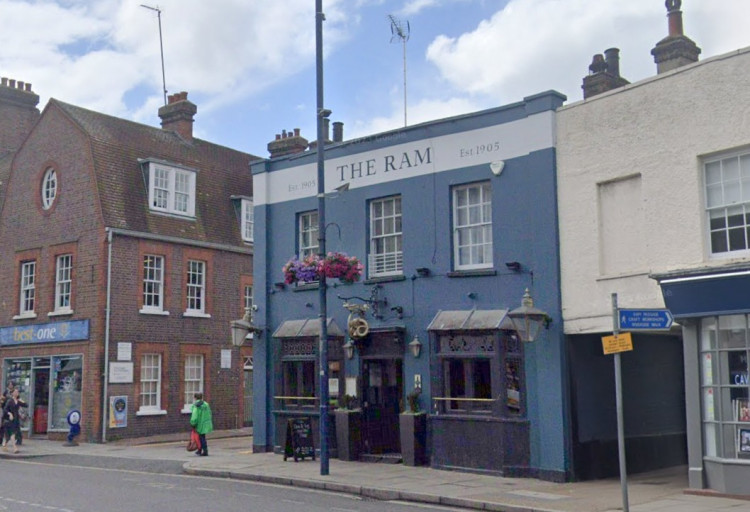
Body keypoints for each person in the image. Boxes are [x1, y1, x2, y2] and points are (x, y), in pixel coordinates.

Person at [3, 389, 27, 453]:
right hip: (11, 419)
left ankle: (4, 444)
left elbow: (26, 405)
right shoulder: (10, 401)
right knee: (12, 433)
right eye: (15, 392)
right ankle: (15, 448)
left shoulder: (18, 401)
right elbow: (5, 410)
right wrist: (9, 414)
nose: (17, 393)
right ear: (12, 393)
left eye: (17, 392)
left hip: (16, 419)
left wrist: (22, 401)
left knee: (11, 434)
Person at [189, 392, 213, 456]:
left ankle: (204, 451)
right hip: (206, 423)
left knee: (200, 438)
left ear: (195, 398)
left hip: (199, 424)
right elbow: (209, 413)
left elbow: (194, 415)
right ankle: (200, 450)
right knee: (202, 437)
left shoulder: (196, 406)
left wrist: (193, 423)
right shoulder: (206, 404)